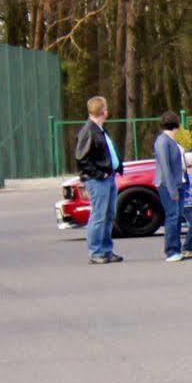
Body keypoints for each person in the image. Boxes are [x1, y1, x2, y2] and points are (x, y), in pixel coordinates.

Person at [75, 96, 123, 264]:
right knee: (98, 215)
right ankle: (96, 252)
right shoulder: (89, 131)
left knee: (109, 214)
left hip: (108, 177)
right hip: (98, 180)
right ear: (104, 111)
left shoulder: (100, 129)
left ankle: (106, 250)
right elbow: (82, 159)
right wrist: (98, 173)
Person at [154, 112, 192, 263]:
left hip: (179, 184)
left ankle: (177, 249)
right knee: (172, 217)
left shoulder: (171, 141)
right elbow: (165, 166)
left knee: (177, 217)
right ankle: (171, 251)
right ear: (177, 125)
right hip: (168, 185)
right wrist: (172, 189)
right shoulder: (163, 141)